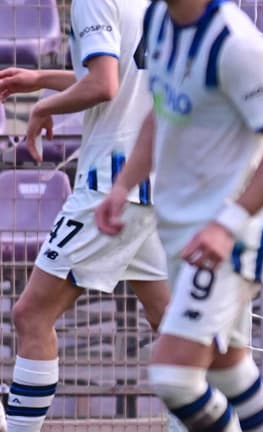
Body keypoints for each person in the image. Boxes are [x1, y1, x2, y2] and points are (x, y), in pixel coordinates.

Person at [95, 0, 263, 430]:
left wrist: (227, 226)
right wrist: (123, 185)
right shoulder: (157, 18)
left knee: (174, 377)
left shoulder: (235, 44)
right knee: (228, 370)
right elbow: (161, 109)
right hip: (183, 227)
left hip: (233, 230)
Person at [0, 1, 171, 431]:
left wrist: (44, 106)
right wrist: (40, 80)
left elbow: (104, 84)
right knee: (171, 326)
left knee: (31, 315)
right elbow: (121, 74)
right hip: (158, 186)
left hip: (110, 189)